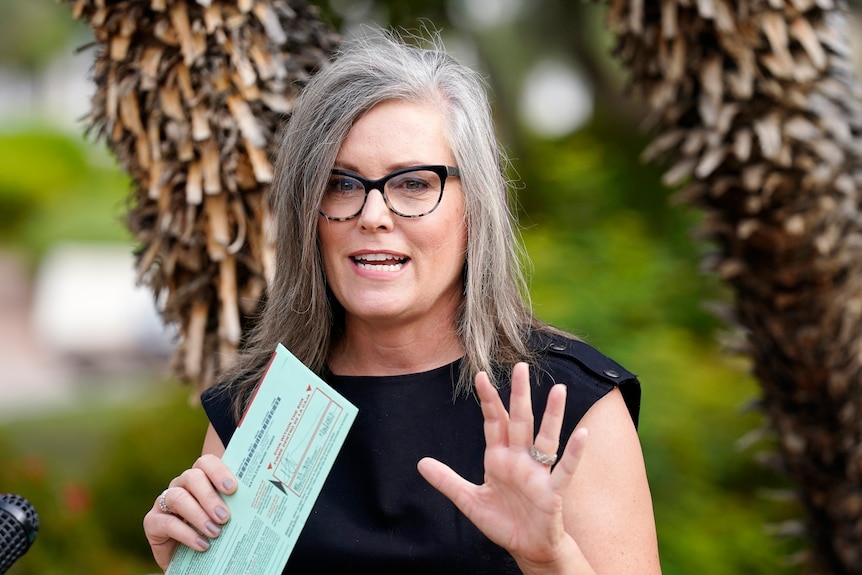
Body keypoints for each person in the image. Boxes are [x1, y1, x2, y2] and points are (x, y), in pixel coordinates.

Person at [142, 27, 661, 574]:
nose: (372, 215)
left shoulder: (569, 407)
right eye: (340, 184)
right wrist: (187, 563)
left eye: (413, 183)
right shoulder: (261, 407)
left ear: (474, 208)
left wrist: (549, 560)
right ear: (306, 215)